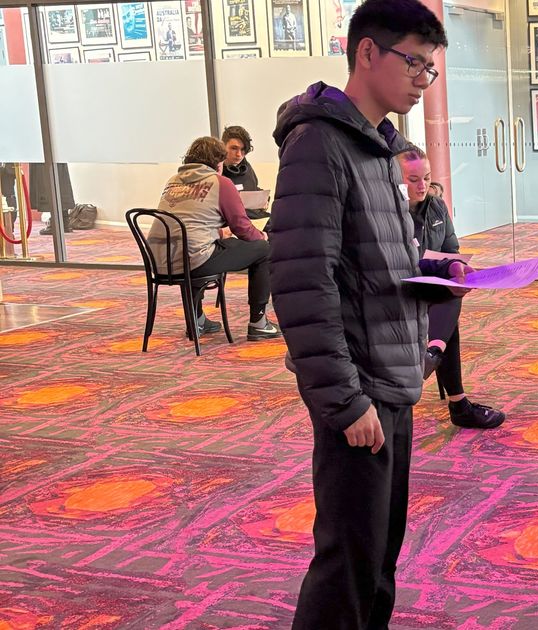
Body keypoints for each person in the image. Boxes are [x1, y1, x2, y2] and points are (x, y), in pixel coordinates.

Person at [266, 0, 464, 626]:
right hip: (358, 389)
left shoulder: (379, 149)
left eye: (430, 68)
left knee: (378, 558)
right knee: (347, 566)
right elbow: (301, 285)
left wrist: (437, 281)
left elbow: (374, 266)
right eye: (414, 63)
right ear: (367, 53)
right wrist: (346, 402)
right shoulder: (318, 145)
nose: (422, 79)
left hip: (393, 380)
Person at [398, 145, 506, 430]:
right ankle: (456, 400)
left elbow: (450, 249)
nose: (422, 186)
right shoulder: (388, 213)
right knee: (447, 304)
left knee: (452, 289)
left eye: (427, 178)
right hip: (396, 286)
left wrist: (456, 266)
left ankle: (433, 354)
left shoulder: (436, 206)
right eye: (413, 180)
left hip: (431, 282)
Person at [151, 136, 281, 341]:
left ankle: (197, 319)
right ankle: (259, 322)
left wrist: (219, 233)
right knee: (264, 250)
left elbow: (187, 223)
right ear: (218, 162)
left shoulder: (173, 181)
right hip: (193, 260)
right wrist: (262, 237)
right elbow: (242, 228)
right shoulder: (219, 182)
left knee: (194, 249)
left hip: (159, 260)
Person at [220, 126, 270, 220]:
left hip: (254, 217)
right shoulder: (216, 172)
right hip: (232, 221)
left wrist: (264, 201)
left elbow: (253, 188)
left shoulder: (247, 167)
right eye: (234, 148)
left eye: (243, 149)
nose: (239, 154)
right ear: (223, 146)